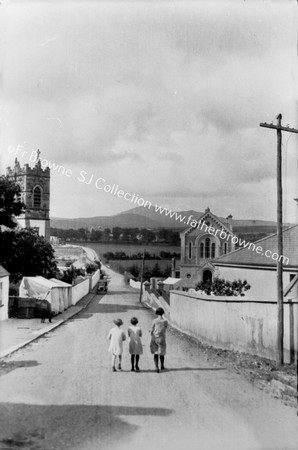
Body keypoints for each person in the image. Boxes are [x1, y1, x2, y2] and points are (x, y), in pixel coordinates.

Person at [150, 307, 168, 373]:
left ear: (156, 313)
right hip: (162, 338)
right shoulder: (165, 321)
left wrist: (151, 332)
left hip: (155, 338)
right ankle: (162, 366)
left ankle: (156, 367)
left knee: (156, 353)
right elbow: (165, 328)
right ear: (163, 313)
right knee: (162, 353)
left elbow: (152, 329)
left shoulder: (154, 320)